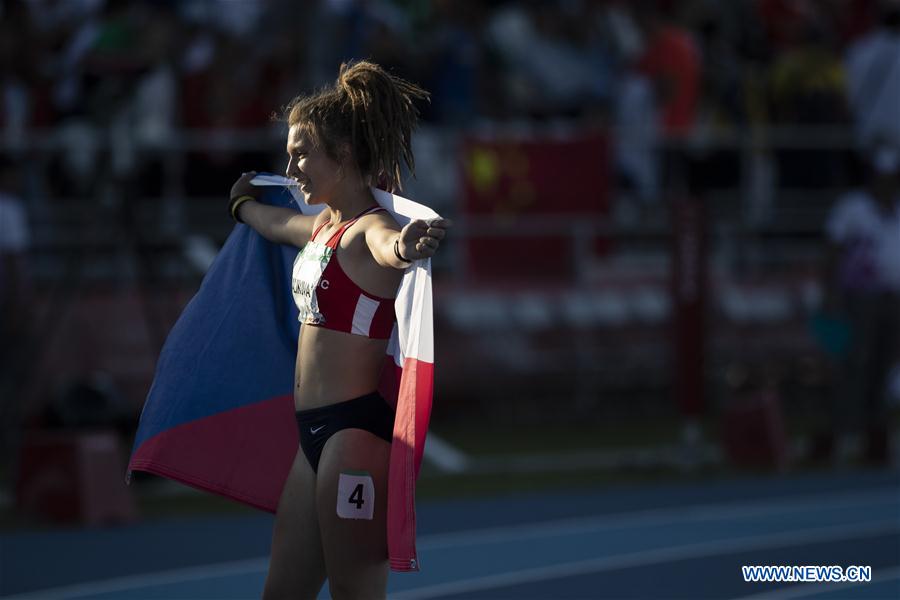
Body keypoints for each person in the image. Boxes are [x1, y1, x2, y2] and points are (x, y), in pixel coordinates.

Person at [227, 61, 450, 599]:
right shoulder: (326, 227)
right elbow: (279, 225)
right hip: (312, 439)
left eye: (301, 152)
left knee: (356, 594)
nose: (291, 165)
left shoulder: (370, 230)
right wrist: (243, 205)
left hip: (353, 436)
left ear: (343, 155)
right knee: (282, 593)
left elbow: (389, 248)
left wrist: (409, 246)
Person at [817, 144, 900, 465]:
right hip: (859, 299)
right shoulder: (853, 207)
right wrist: (831, 294)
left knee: (886, 368)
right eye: (883, 177)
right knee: (855, 364)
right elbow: (833, 248)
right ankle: (845, 433)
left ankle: (877, 437)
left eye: (892, 178)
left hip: (892, 299)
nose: (887, 184)